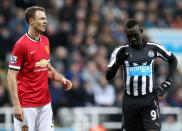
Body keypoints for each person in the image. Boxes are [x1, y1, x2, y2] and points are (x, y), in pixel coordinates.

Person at [7, 6, 72, 131]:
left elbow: (46, 68)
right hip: (26, 105)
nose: (45, 21)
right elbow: (11, 75)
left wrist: (62, 79)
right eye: (42, 19)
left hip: (45, 103)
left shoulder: (46, 41)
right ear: (31, 21)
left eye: (46, 19)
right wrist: (16, 105)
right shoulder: (21, 45)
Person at [106, 19, 177, 131]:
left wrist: (167, 83)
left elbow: (173, 60)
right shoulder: (120, 51)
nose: (133, 39)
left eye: (135, 35)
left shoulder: (153, 48)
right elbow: (108, 76)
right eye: (129, 36)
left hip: (149, 99)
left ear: (141, 31)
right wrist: (117, 63)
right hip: (130, 102)